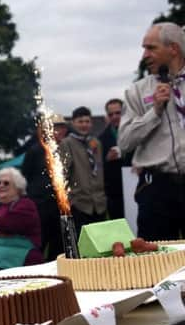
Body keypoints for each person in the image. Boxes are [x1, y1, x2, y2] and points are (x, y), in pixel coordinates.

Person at [119, 22, 185, 242]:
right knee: (155, 262)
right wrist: (154, 112)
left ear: (173, 48)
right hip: (157, 188)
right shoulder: (137, 91)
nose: (145, 55)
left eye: (151, 48)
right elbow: (125, 142)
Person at [21, 113, 68, 261]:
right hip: (40, 205)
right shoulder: (35, 150)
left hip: (60, 205)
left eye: (60, 128)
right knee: (39, 243)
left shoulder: (65, 150)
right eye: (53, 128)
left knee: (60, 244)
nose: (57, 132)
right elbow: (25, 175)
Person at [60, 106, 107, 235]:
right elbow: (63, 173)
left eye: (87, 121)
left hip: (99, 202)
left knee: (100, 241)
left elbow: (99, 169)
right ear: (73, 123)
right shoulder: (66, 143)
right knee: (83, 242)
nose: (84, 125)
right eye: (80, 122)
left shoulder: (96, 143)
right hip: (79, 202)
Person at [98, 98, 132, 219]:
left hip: (135, 185)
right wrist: (106, 159)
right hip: (114, 192)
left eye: (118, 113)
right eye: (111, 114)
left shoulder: (135, 131)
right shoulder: (101, 139)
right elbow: (98, 168)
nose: (114, 117)